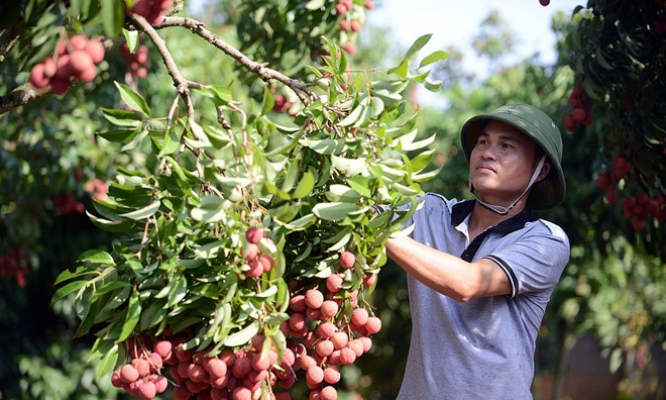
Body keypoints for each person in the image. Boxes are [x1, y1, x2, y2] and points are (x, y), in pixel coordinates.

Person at [384, 103, 570, 399]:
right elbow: (365, 205)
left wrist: (379, 232)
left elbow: (469, 283)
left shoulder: (546, 241)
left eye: (506, 145)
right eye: (483, 142)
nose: (487, 152)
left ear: (541, 171)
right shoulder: (431, 213)